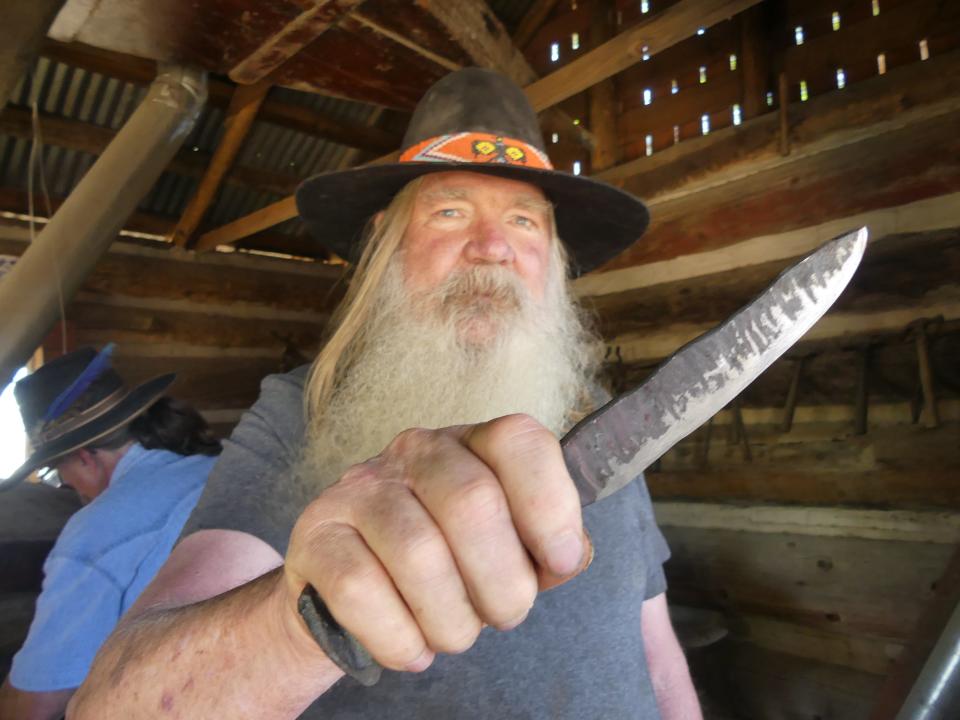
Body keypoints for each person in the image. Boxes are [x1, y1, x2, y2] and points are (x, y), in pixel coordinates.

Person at [71, 68, 701, 719]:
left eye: (523, 221)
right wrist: (299, 620)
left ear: (553, 257)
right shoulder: (301, 412)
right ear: (387, 244)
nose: (491, 248)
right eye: (450, 213)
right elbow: (118, 705)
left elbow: (654, 648)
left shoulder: (598, 412)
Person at [0, 346, 220, 720]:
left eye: (57, 473)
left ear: (84, 457)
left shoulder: (94, 534)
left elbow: (37, 702)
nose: (67, 485)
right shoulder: (221, 464)